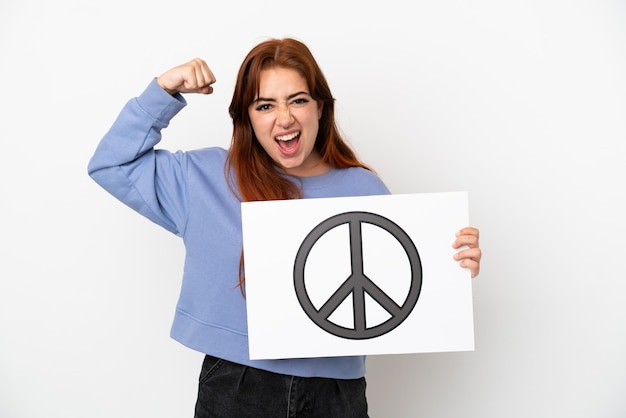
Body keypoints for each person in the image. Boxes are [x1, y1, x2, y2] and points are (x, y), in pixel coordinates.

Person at [88, 37, 481, 418]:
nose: (285, 117)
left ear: (321, 107)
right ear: (247, 117)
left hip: (336, 393)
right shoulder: (204, 177)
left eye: (298, 100)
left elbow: (400, 280)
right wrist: (162, 91)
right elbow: (112, 165)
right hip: (237, 387)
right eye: (265, 105)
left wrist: (452, 260)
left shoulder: (363, 188)